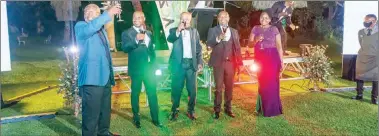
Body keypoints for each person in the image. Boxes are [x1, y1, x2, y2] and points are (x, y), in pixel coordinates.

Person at [74, 4, 120, 136]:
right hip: (91, 80)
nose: (88, 13)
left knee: (104, 113)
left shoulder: (101, 31)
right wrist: (107, 13)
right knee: (91, 117)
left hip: (104, 79)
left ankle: (104, 133)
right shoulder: (81, 27)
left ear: (99, 15)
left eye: (93, 11)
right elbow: (91, 27)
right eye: (86, 11)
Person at [121, 11, 162, 128]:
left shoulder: (148, 33)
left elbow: (151, 51)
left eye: (139, 17)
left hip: (149, 69)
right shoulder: (127, 33)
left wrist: (155, 65)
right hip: (137, 70)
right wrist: (135, 40)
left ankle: (155, 119)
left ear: (143, 18)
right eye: (134, 17)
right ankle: (136, 118)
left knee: (152, 94)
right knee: (135, 94)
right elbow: (125, 48)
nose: (136, 19)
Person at [206, 11, 243, 119]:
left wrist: (239, 63)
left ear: (228, 18)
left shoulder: (234, 31)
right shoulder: (213, 30)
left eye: (225, 16)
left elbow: (238, 48)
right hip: (218, 63)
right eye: (221, 16)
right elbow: (209, 44)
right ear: (218, 19)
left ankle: (228, 109)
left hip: (231, 63)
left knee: (229, 87)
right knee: (218, 88)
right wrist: (218, 38)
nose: (223, 18)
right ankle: (217, 110)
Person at [167, 12, 203, 121]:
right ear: (180, 19)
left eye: (187, 19)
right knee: (176, 89)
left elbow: (198, 49)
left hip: (191, 65)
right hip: (178, 65)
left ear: (190, 20)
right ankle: (174, 110)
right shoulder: (174, 30)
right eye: (183, 18)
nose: (185, 21)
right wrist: (178, 30)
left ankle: (191, 110)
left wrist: (200, 62)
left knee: (192, 91)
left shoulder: (194, 32)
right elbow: (170, 39)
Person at [249, 9, 284, 117]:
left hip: (272, 57)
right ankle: (262, 108)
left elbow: (279, 46)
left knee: (272, 83)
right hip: (260, 58)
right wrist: (256, 40)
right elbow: (250, 44)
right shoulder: (255, 28)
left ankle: (273, 110)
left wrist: (281, 61)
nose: (263, 19)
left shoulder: (274, 29)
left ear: (270, 19)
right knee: (262, 83)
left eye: (266, 18)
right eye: (262, 17)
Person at [352, 14, 378, 105]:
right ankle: (359, 95)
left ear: (374, 21)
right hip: (362, 57)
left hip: (375, 58)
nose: (365, 23)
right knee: (360, 76)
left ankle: (374, 98)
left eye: (368, 21)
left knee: (376, 78)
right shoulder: (361, 32)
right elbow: (361, 43)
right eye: (365, 21)